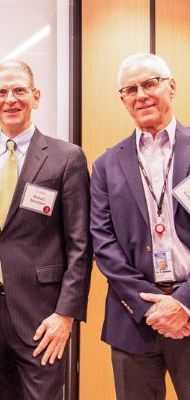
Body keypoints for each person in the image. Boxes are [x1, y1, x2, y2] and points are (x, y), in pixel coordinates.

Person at [0, 59, 92, 400]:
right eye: (1, 92)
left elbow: (80, 244)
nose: (11, 99)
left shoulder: (66, 157)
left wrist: (65, 315)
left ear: (36, 96)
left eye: (19, 90)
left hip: (43, 315)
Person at [90, 53, 190, 399]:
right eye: (131, 89)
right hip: (134, 319)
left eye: (150, 83)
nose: (141, 94)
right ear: (123, 100)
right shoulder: (105, 165)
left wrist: (182, 304)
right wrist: (150, 308)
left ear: (171, 87)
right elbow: (103, 244)